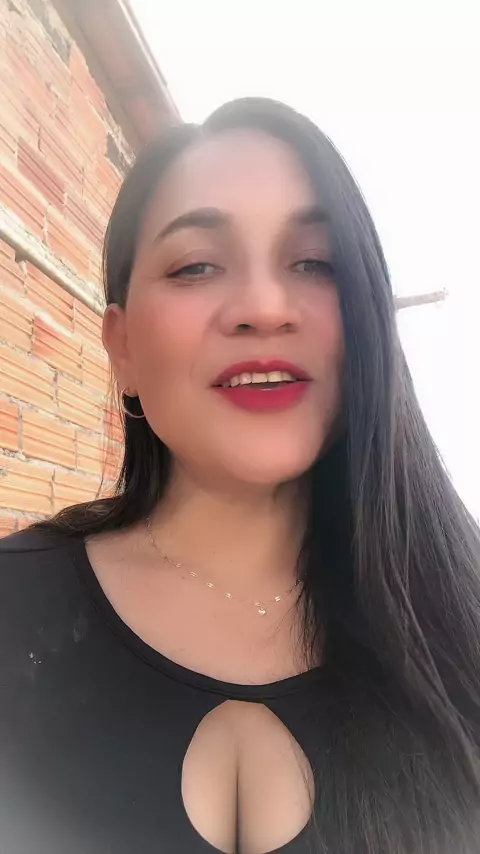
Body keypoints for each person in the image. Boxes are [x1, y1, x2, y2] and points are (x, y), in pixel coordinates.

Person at [1, 97, 479, 854]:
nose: (263, 307)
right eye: (196, 266)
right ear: (122, 349)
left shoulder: (460, 617)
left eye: (314, 263)